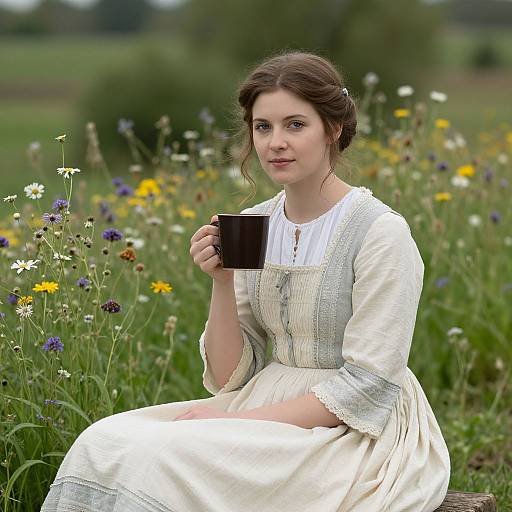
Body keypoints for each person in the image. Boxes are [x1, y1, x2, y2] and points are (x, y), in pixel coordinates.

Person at [41, 51, 450, 512]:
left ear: (333, 129)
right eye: (263, 126)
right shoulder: (254, 224)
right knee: (103, 442)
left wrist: (240, 421)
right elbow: (227, 377)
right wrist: (221, 280)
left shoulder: (380, 233)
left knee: (159, 457)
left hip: (352, 430)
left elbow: (368, 386)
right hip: (262, 402)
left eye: (296, 124)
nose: (276, 142)